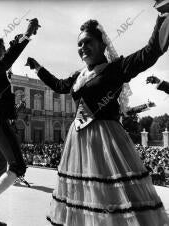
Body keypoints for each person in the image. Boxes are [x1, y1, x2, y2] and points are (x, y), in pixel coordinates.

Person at [26, 14, 169, 225]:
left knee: (110, 195)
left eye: (87, 42)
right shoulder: (78, 75)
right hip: (78, 142)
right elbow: (59, 85)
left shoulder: (116, 69)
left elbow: (149, 53)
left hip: (106, 141)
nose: (82, 47)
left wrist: (163, 16)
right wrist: (39, 68)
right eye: (79, 44)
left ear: (103, 44)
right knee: (85, 196)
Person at [0, 18, 40, 225]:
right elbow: (7, 59)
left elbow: (7, 57)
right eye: (2, 46)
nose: (5, 49)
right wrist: (27, 35)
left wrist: (15, 108)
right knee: (18, 166)